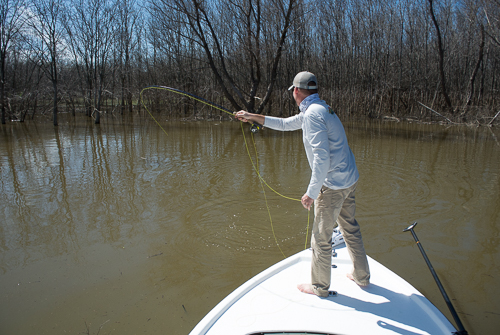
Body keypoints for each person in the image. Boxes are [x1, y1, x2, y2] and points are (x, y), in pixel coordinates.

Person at [234, 71, 370, 297]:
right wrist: (251, 116)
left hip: (333, 186)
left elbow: (321, 157)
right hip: (348, 179)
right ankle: (362, 276)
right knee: (349, 229)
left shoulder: (312, 115)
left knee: (321, 237)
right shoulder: (321, 109)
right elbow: (286, 124)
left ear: (296, 91)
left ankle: (319, 287)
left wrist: (311, 192)